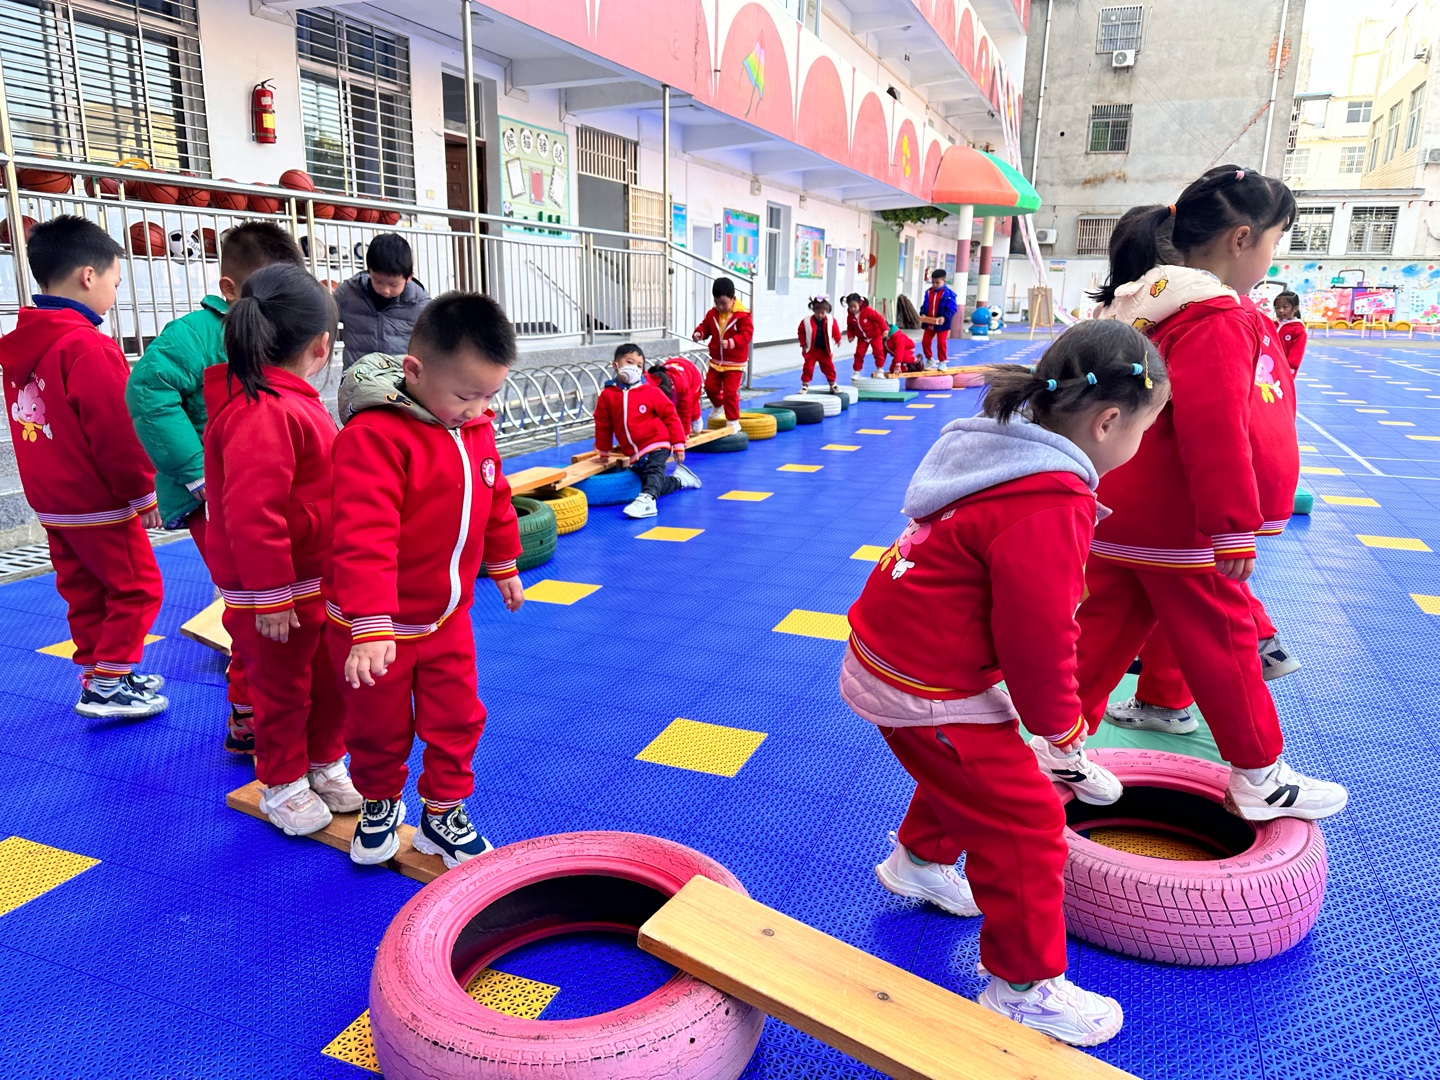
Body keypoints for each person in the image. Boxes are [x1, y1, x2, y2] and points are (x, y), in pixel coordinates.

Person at [842, 319, 1169, 1046]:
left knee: (974, 769)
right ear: (1108, 421)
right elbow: (1039, 636)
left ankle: (921, 860)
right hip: (924, 680)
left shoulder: (1001, 449)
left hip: (895, 650)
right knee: (1026, 822)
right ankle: (1023, 987)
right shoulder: (1050, 501)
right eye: (1146, 429)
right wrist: (1061, 730)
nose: (1143, 444)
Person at [1077, 164, 1347, 821]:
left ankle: (1051, 746)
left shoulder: (1143, 305)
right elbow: (1216, 425)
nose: (1271, 257)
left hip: (1115, 513)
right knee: (1224, 645)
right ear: (1242, 237)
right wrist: (1231, 525)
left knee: (1094, 644)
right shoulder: (1216, 316)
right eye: (1275, 241)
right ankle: (1259, 776)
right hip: (1182, 524)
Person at [328, 293, 524, 869]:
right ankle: (380, 800)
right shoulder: (375, 437)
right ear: (414, 371)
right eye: (466, 395)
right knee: (377, 724)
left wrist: (504, 561)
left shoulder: (475, 429)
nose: (478, 408)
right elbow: (364, 533)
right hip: (376, 627)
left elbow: (495, 495)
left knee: (457, 717)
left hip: (445, 620)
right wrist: (370, 623)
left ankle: (443, 813)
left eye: (490, 395)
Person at [126, 221, 305, 753]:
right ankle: (249, 712)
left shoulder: (276, 333)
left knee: (277, 595)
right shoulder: (196, 335)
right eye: (263, 292)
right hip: (214, 498)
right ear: (229, 289)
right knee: (251, 601)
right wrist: (196, 471)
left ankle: (274, 704)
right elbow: (147, 389)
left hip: (262, 490)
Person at [204, 264, 358, 835]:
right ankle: (283, 780)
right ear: (322, 346)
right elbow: (252, 512)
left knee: (327, 680)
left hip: (312, 582)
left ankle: (322, 760)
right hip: (273, 595)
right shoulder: (262, 411)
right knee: (283, 689)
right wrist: (269, 594)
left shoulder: (292, 402)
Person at [1109, 288, 1303, 733]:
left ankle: (1254, 755)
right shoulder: (1233, 315)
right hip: (1178, 504)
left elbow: (1215, 428)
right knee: (1180, 600)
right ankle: (1164, 699)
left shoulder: (1207, 319)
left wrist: (1231, 526)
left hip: (1161, 503)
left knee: (1193, 608)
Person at [1, 217, 166, 718]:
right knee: (138, 587)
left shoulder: (22, 344)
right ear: (88, 276)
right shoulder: (88, 346)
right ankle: (110, 682)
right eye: (116, 281)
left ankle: (101, 671)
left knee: (85, 590)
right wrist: (143, 493)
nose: (115, 293)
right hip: (98, 500)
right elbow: (116, 432)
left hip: (53, 500)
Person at [595, 344, 702, 520]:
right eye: (629, 362)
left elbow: (671, 415)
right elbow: (603, 424)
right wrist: (604, 449)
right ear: (615, 365)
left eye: (639, 365)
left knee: (653, 471)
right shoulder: (607, 395)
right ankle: (680, 480)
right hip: (633, 451)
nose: (634, 368)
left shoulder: (651, 391)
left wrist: (678, 443)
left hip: (658, 442)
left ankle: (648, 501)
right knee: (650, 480)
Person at [334, 233, 430, 367]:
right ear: (369, 271)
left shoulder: (419, 303)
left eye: (393, 285)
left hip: (397, 375)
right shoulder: (349, 293)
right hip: (357, 375)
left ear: (409, 277)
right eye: (378, 282)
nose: (385, 290)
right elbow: (324, 318)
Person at [692, 277, 752, 431]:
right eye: (717, 303)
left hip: (734, 363)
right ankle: (719, 406)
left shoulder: (742, 316)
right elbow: (705, 326)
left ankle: (733, 421)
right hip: (716, 361)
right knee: (710, 387)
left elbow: (747, 334)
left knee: (730, 392)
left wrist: (732, 342)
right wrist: (699, 333)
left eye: (723, 303)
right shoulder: (713, 314)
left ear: (733, 299)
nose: (720, 307)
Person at [648, 353, 704, 434]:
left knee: (691, 403)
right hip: (675, 365)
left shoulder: (682, 387)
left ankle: (697, 420)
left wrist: (685, 433)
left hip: (693, 374)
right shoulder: (649, 386)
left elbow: (685, 412)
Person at [797, 295, 841, 394]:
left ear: (827, 311)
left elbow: (835, 330)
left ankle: (833, 384)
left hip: (825, 350)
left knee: (829, 367)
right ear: (813, 310)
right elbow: (801, 332)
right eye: (817, 313)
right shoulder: (806, 321)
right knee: (808, 368)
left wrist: (838, 339)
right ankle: (805, 385)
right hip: (812, 350)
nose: (820, 315)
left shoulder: (830, 320)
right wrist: (803, 344)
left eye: (822, 313)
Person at [918, 268, 959, 365]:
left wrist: (944, 317)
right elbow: (924, 305)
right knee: (925, 342)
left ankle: (942, 362)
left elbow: (952, 309)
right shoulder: (928, 292)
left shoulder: (949, 294)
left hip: (942, 323)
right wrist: (923, 313)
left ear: (944, 281)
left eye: (937, 282)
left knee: (941, 343)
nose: (935, 285)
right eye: (933, 282)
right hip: (930, 322)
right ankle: (929, 359)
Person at [846, 293, 888, 375]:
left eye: (854, 306)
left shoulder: (868, 311)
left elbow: (879, 319)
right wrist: (850, 336)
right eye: (850, 307)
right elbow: (850, 327)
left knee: (878, 352)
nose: (852, 309)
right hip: (862, 338)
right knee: (859, 354)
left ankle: (880, 369)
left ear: (860, 303)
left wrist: (884, 330)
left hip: (875, 335)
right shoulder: (850, 317)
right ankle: (857, 371)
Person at [1272, 290, 1306, 373]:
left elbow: (1296, 353)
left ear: (1295, 308)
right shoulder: (1271, 325)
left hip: (1284, 370)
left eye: (1285, 307)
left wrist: (1290, 369)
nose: (1280, 310)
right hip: (1267, 365)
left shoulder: (1298, 330)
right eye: (1277, 307)